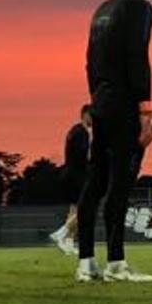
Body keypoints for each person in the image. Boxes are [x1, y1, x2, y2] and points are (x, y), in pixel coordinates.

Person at [76, 0, 152, 283]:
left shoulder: (101, 10)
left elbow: (89, 61)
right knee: (121, 183)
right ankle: (116, 263)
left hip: (100, 102)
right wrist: (146, 109)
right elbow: (137, 56)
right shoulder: (138, 7)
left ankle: (85, 262)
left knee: (95, 182)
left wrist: (96, 99)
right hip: (124, 105)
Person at [48, 105, 92, 256]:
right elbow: (84, 154)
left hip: (71, 174)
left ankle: (68, 242)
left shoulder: (75, 131)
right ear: (85, 115)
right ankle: (62, 233)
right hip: (77, 175)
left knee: (74, 209)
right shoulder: (81, 132)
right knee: (86, 208)